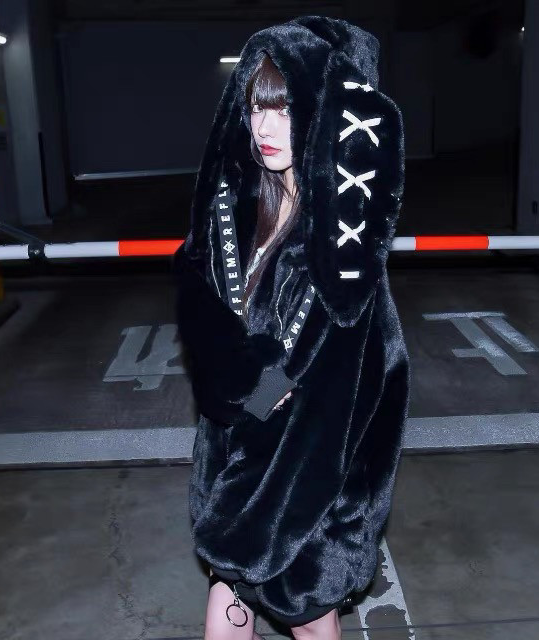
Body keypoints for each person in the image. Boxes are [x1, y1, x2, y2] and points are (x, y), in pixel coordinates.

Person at [173, 15, 410, 639]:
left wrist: (254, 391)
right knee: (225, 616)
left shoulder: (340, 248)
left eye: (284, 108)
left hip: (301, 495)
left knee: (309, 626)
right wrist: (233, 377)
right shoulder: (240, 208)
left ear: (320, 114)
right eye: (257, 106)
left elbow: (351, 381)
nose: (265, 127)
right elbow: (200, 298)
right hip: (235, 475)